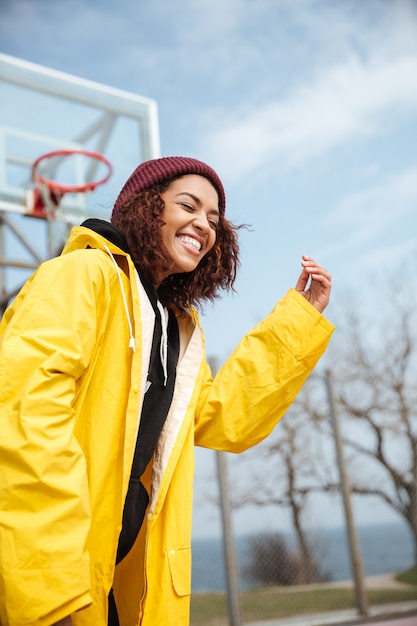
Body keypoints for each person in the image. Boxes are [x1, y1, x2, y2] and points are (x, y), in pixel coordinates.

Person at [0, 156, 334, 626]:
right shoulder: (81, 276)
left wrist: (298, 322)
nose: (203, 223)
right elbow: (23, 421)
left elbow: (223, 419)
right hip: (61, 585)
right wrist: (49, 588)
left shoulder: (175, 327)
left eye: (214, 219)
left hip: (125, 580)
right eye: (188, 205)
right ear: (145, 207)